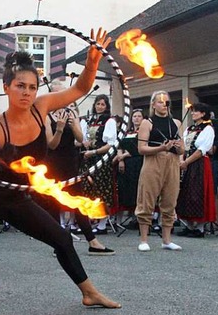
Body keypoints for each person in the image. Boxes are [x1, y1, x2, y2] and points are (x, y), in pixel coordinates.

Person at [0, 29, 120, 315]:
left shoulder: (41, 107)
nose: (27, 92)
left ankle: (89, 292)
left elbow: (80, 89)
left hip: (14, 194)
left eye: (31, 87)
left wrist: (92, 62)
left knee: (59, 237)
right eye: (20, 86)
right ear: (6, 87)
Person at [41, 78, 113, 255]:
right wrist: (59, 128)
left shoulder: (71, 113)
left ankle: (92, 241)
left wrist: (73, 126)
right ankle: (58, 243)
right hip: (53, 164)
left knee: (79, 202)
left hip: (70, 164)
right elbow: (51, 145)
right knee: (54, 205)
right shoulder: (46, 115)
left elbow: (82, 140)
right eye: (58, 93)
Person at [135, 91, 184, 252]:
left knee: (170, 199)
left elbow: (182, 149)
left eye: (166, 102)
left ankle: (167, 240)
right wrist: (161, 147)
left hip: (172, 163)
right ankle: (143, 239)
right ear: (153, 104)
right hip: (153, 163)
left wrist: (177, 146)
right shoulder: (147, 123)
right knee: (147, 198)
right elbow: (141, 148)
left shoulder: (176, 122)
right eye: (160, 102)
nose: (164, 104)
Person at [176, 102, 216, 237]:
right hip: (187, 163)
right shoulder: (189, 128)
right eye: (192, 111)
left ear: (203, 114)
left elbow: (202, 150)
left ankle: (200, 228)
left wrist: (186, 161)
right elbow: (183, 145)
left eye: (195, 111)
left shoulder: (208, 129)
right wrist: (181, 160)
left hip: (199, 164)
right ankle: (189, 225)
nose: (193, 113)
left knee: (197, 193)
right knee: (186, 193)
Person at [81, 94, 118, 234]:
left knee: (101, 190)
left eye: (103, 104)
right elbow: (82, 139)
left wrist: (95, 151)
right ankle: (90, 220)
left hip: (101, 159)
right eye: (98, 104)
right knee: (87, 189)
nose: (100, 106)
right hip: (88, 158)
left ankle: (102, 224)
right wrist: (85, 144)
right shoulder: (89, 120)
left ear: (107, 106)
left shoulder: (109, 121)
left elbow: (111, 144)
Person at [114, 108, 145, 227]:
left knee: (136, 188)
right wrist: (120, 158)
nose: (136, 118)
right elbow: (119, 146)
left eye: (139, 116)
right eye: (134, 116)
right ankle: (129, 216)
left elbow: (139, 148)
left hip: (137, 161)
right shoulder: (126, 132)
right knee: (125, 188)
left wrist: (123, 156)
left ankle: (137, 218)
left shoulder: (144, 132)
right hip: (125, 164)